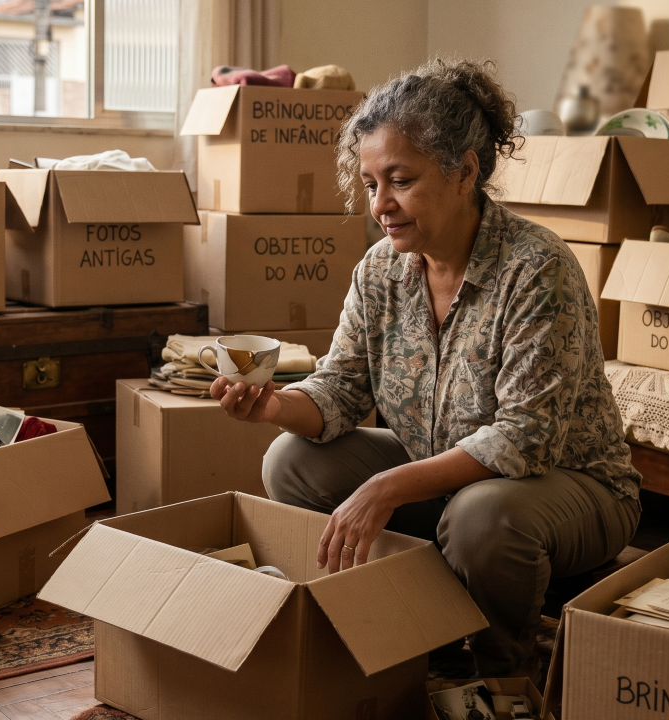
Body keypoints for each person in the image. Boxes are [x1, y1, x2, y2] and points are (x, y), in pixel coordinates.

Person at [210, 58, 642, 678]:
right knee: (290, 460)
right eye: (368, 184)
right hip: (445, 477)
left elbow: (525, 439)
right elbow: (339, 387)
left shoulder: (536, 268)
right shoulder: (380, 270)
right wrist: (274, 405)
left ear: (465, 170)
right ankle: (417, 634)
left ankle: (505, 675)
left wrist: (385, 488)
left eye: (401, 181)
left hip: (574, 488)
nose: (381, 205)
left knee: (482, 516)